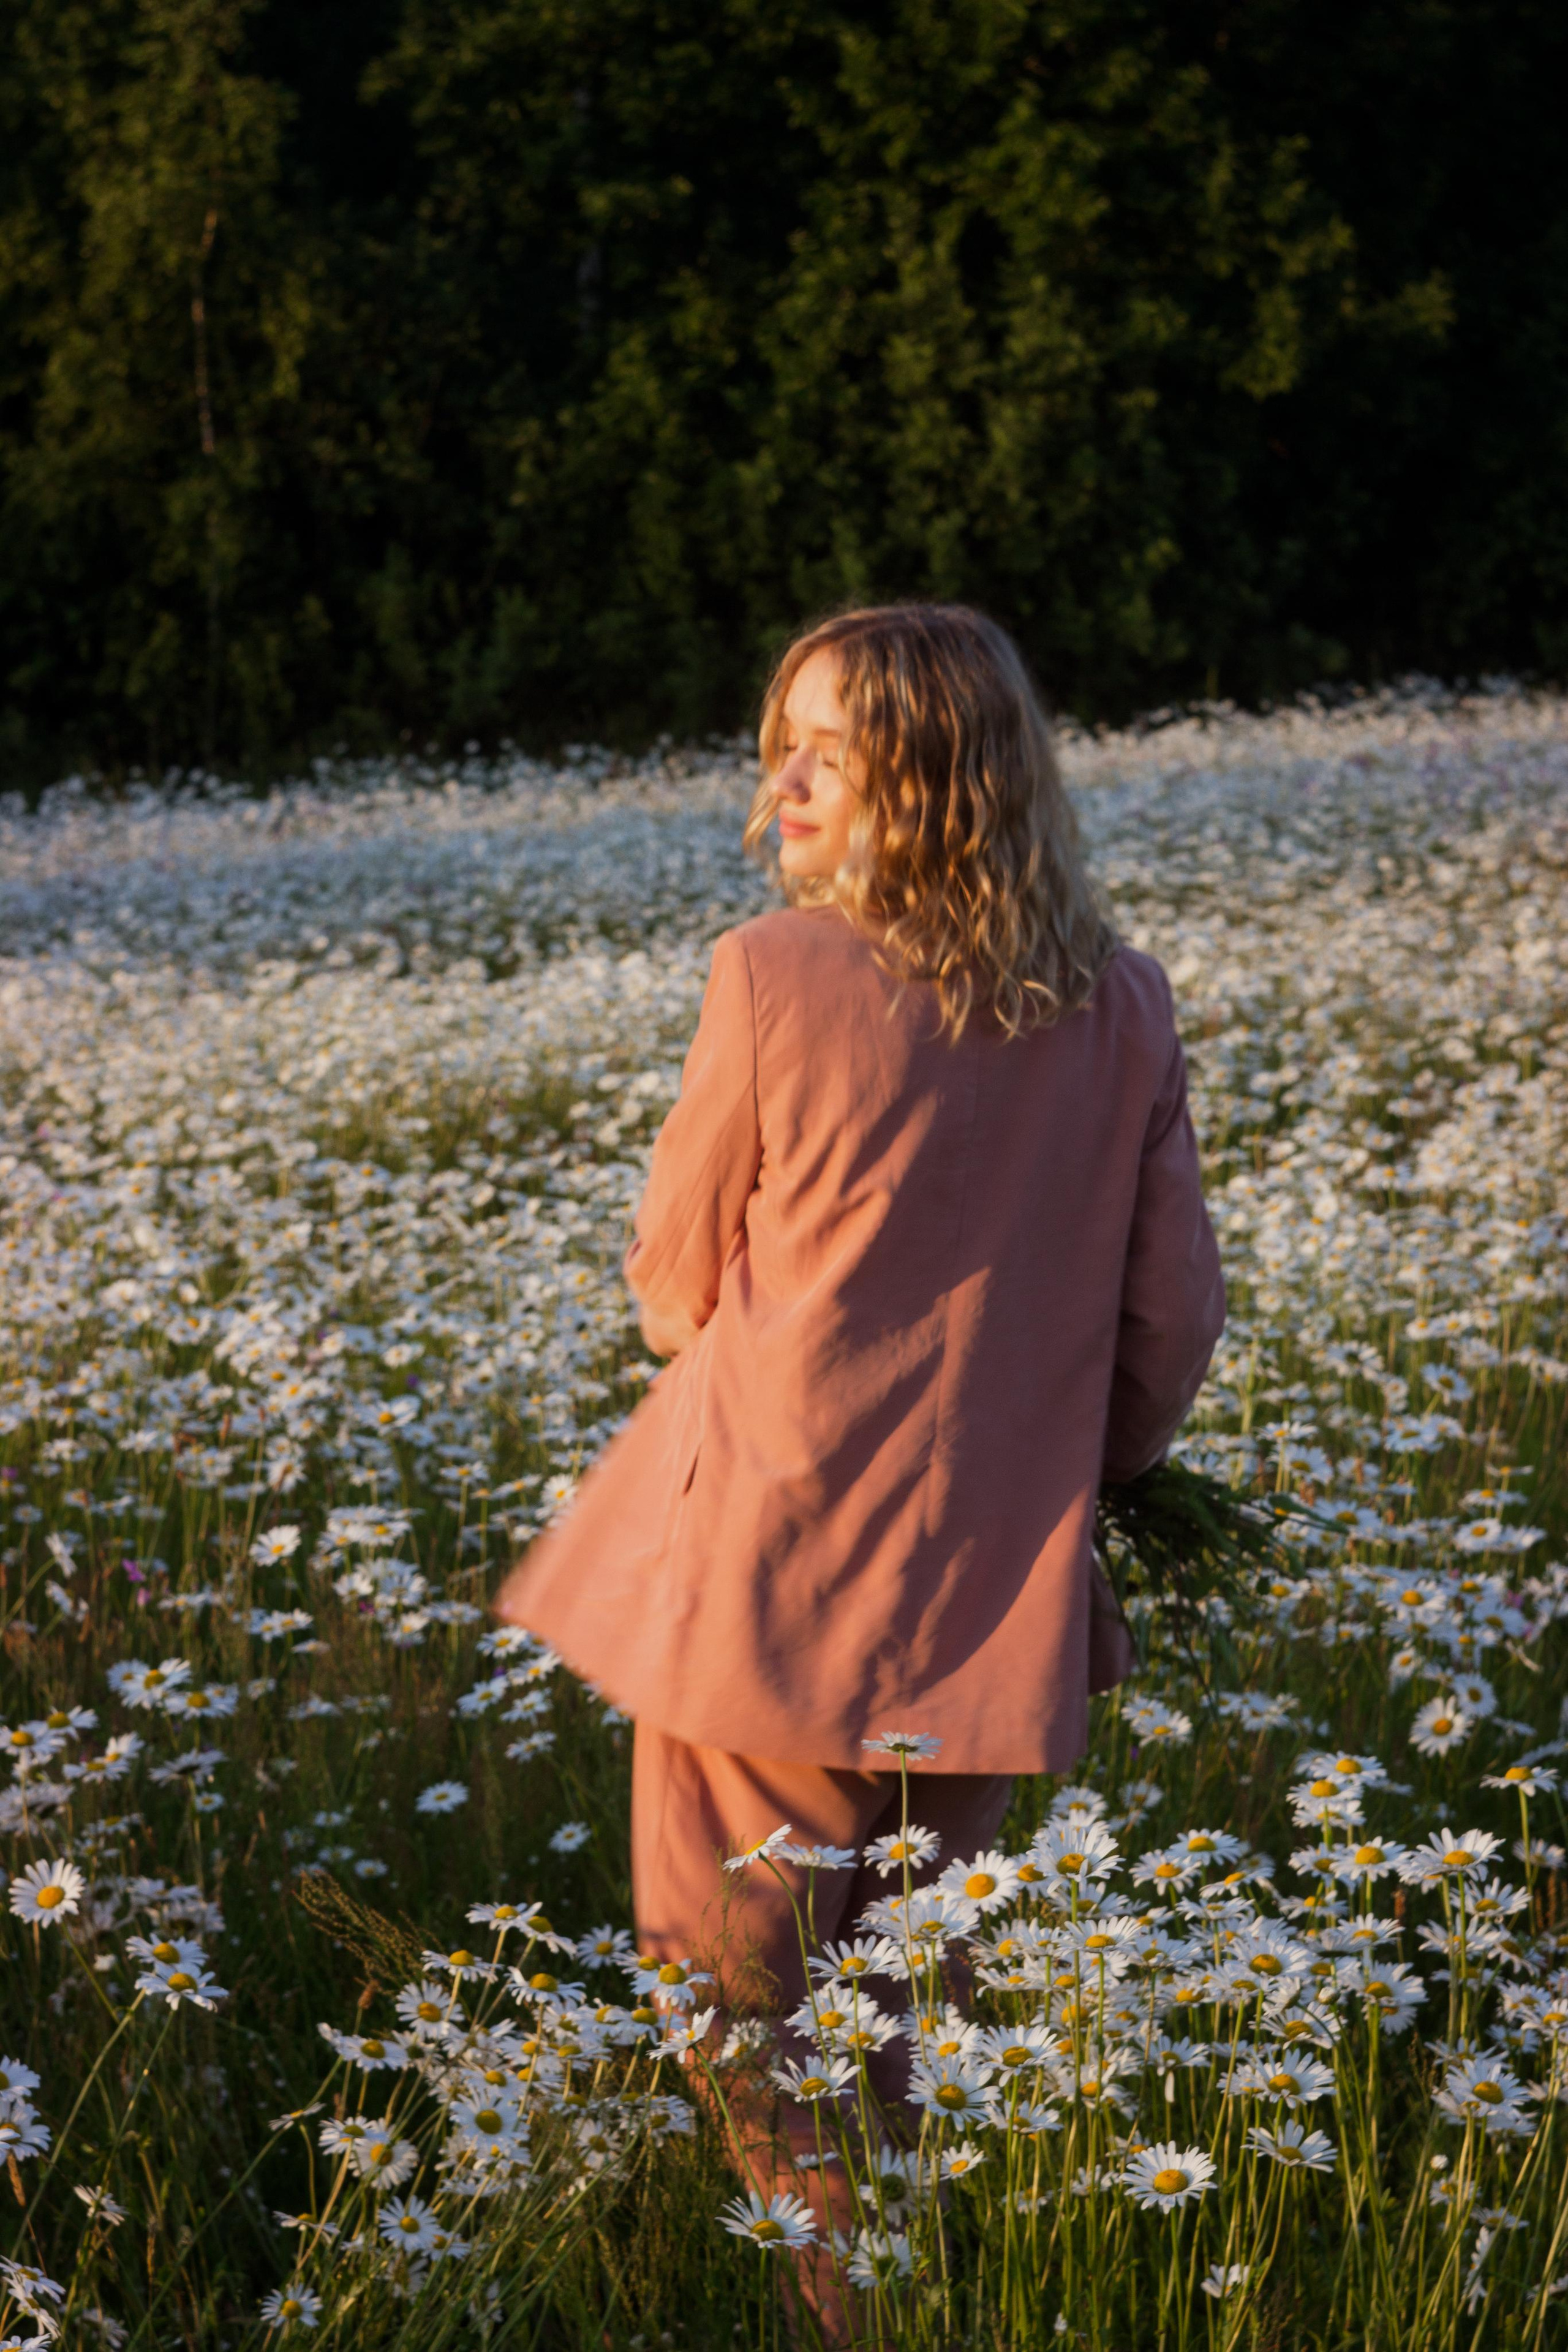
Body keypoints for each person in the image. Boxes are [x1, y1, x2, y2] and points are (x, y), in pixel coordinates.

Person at [493, 601, 1225, 2327]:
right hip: (996, 1601)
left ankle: (855, 2319)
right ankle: (926, 2288)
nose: (789, 778)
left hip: (768, 1584)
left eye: (834, 746)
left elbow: (673, 1288)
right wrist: (1054, 1475)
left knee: (738, 1999)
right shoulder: (1123, 1004)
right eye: (785, 741)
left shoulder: (773, 975)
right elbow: (1171, 1321)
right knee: (908, 2008)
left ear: (939, 773)